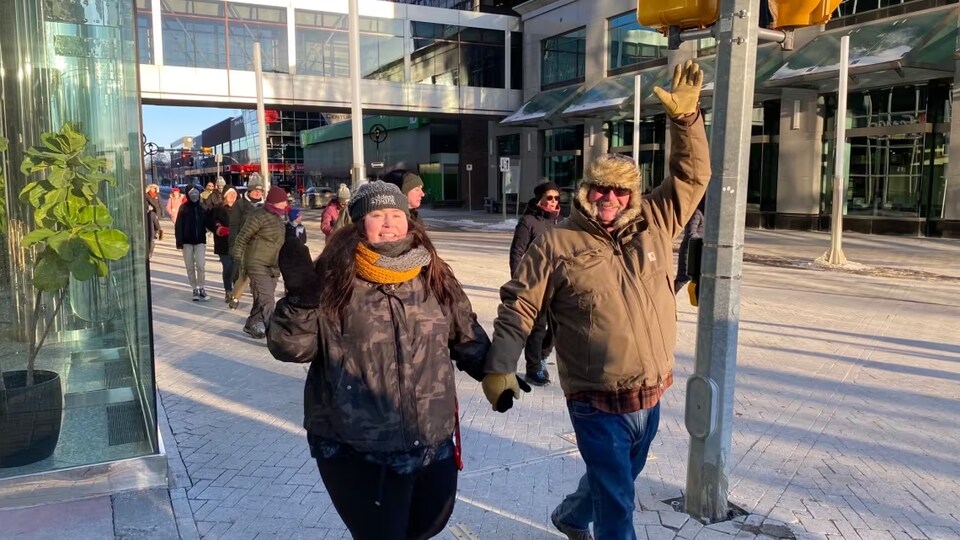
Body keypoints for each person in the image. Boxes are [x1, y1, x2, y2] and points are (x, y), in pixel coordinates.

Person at [481, 61, 709, 540]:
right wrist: (500, 366)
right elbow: (519, 304)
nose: (609, 197)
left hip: (650, 388)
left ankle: (569, 514)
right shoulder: (557, 243)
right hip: (594, 397)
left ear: (632, 195)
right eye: (600, 188)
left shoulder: (657, 221)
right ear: (586, 192)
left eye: (620, 191)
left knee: (620, 478)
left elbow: (691, 177)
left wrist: (686, 122)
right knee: (618, 501)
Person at [266, 180, 491, 540]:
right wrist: (301, 301)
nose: (388, 223)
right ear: (358, 222)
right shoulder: (332, 277)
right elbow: (291, 348)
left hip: (431, 440)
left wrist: (494, 371)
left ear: (409, 219)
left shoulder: (433, 273)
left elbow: (465, 332)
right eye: (376, 214)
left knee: (426, 528)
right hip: (357, 448)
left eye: (395, 214)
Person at [508, 180, 562, 386]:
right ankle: (533, 368)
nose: (553, 201)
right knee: (538, 328)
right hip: (535, 283)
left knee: (558, 325)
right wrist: (518, 281)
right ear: (540, 198)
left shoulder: (559, 221)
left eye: (556, 198)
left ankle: (542, 356)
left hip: (557, 284)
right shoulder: (528, 221)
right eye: (549, 197)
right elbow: (516, 252)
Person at [231, 185, 287, 339]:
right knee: (267, 300)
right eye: (282, 202)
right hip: (257, 263)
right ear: (274, 202)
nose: (285, 204)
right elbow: (243, 236)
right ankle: (272, 333)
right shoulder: (258, 215)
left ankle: (251, 324)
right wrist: (237, 256)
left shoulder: (280, 217)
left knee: (261, 297)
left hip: (273, 265)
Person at [227, 176, 265, 309]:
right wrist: (233, 245)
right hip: (244, 244)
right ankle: (235, 296)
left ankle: (258, 300)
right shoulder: (240, 204)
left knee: (259, 275)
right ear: (249, 191)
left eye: (260, 191)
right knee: (242, 274)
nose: (258, 193)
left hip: (261, 246)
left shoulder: (265, 205)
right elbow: (234, 225)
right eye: (255, 190)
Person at [175, 185, 213, 301]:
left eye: (196, 193)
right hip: (187, 242)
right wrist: (179, 241)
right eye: (192, 194)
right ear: (188, 195)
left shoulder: (203, 207)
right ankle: (194, 288)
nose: (194, 196)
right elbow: (178, 226)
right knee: (190, 266)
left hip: (200, 241)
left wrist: (217, 229)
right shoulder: (183, 208)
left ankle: (202, 287)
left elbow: (210, 222)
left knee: (201, 265)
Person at [209, 186, 239, 303]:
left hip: (238, 244)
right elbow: (212, 222)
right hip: (223, 244)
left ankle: (236, 291)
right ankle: (228, 290)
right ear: (225, 195)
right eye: (230, 194)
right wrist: (218, 228)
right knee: (228, 267)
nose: (233, 196)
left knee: (236, 268)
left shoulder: (240, 208)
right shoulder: (218, 208)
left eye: (234, 194)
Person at [674, 195, 705, 293]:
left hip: (700, 252)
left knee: (702, 280)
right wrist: (704, 242)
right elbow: (691, 232)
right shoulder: (696, 213)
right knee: (682, 279)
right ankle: (664, 302)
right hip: (690, 251)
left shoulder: (707, 215)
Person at [145, 184, 164, 260]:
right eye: (152, 188)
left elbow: (161, 204)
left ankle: (157, 230)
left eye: (154, 188)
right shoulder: (146, 196)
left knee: (154, 218)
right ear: (149, 189)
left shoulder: (157, 195)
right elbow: (145, 203)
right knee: (151, 217)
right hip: (149, 213)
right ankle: (158, 229)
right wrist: (148, 207)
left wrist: (162, 212)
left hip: (157, 212)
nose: (153, 190)